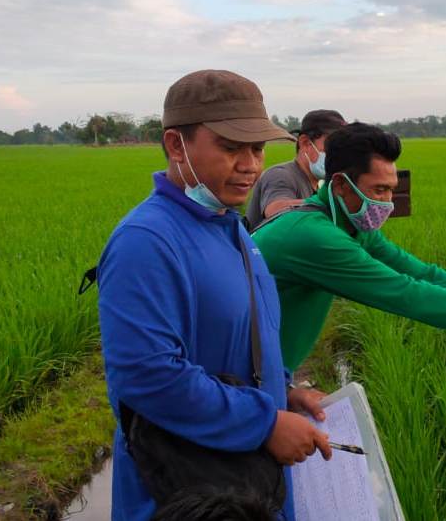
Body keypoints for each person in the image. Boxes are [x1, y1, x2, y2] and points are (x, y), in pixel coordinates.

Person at [98, 70, 332, 521]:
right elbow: (147, 376)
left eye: (257, 149)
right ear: (176, 145)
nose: (250, 165)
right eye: (230, 147)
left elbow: (240, 343)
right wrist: (264, 422)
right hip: (183, 497)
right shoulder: (146, 241)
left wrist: (283, 393)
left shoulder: (229, 226)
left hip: (246, 486)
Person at [252, 123, 446, 372]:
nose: (387, 202)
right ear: (339, 185)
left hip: (270, 374)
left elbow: (422, 274)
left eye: (391, 190)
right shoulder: (314, 236)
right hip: (241, 379)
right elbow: (404, 293)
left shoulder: (347, 224)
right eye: (378, 190)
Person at [245, 110, 346, 230]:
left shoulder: (318, 186)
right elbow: (274, 209)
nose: (336, 155)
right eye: (331, 147)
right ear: (305, 143)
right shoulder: (281, 175)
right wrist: (326, 203)